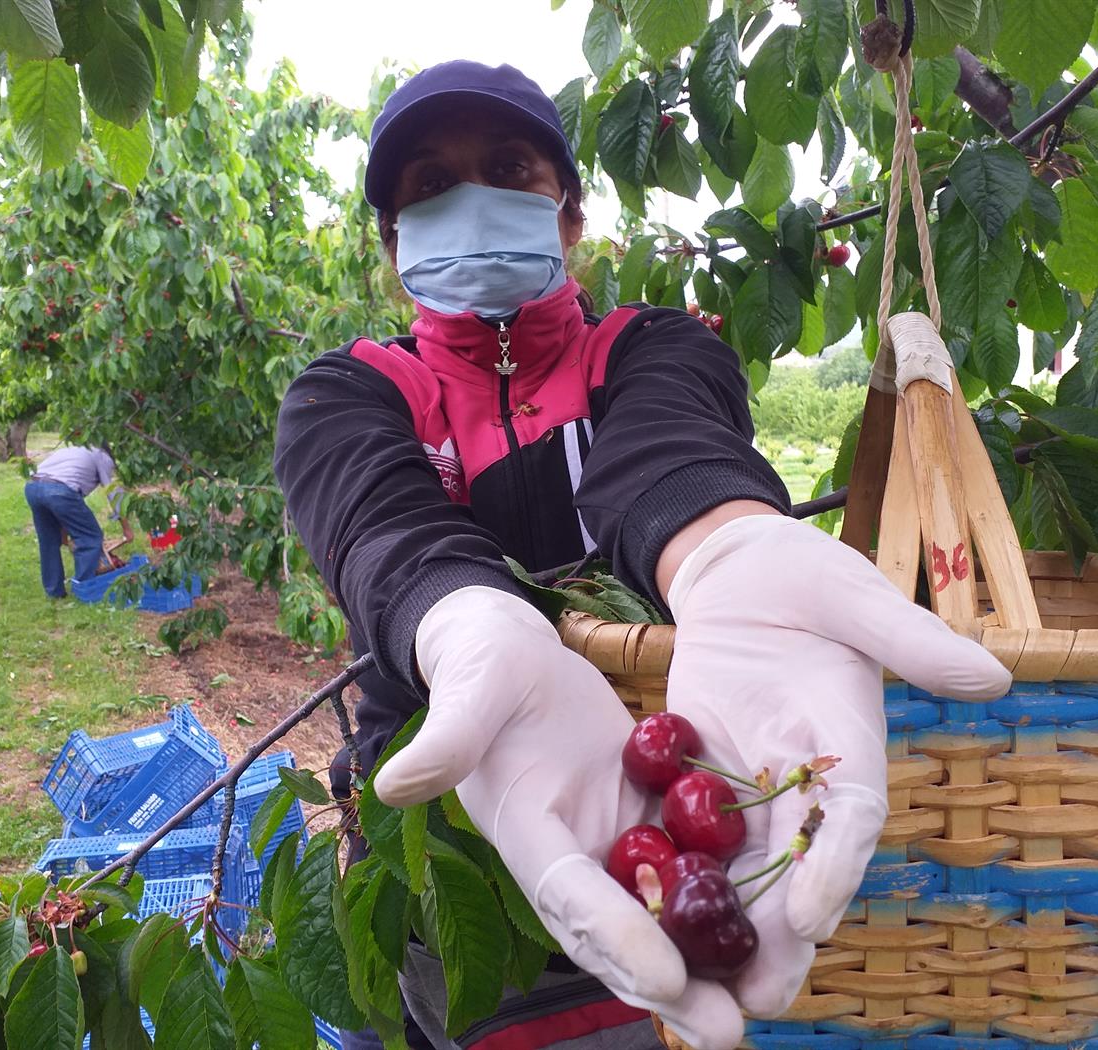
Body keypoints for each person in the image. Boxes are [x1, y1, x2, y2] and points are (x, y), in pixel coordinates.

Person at [274, 61, 1012, 1050]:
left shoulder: (650, 349)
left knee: (662, 1007)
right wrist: (463, 617)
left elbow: (669, 453)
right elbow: (382, 528)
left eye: (507, 171)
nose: (471, 202)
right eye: (431, 186)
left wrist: (722, 545)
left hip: (651, 824)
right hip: (452, 839)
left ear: (568, 218)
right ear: (391, 240)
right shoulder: (351, 392)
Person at [24, 443, 133, 598]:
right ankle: (86, 589)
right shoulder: (102, 456)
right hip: (60, 490)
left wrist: (64, 536)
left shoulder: (73, 448)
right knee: (90, 537)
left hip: (33, 487)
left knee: (48, 542)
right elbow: (114, 493)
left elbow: (56, 495)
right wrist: (127, 529)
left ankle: (54, 592)